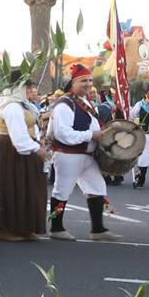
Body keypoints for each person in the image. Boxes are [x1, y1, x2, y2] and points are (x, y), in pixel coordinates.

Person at [45, 64, 118, 242]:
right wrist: (91, 135)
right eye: (83, 80)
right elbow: (63, 134)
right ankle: (56, 227)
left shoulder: (83, 102)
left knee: (97, 187)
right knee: (61, 191)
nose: (88, 84)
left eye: (90, 80)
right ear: (73, 83)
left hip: (86, 156)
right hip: (68, 155)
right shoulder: (64, 105)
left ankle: (98, 229)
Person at [0, 77, 48, 241]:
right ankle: (8, 229)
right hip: (11, 152)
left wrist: (37, 141)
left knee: (26, 190)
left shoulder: (23, 106)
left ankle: (24, 228)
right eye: (26, 88)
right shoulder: (12, 107)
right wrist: (36, 149)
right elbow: (18, 138)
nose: (29, 91)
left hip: (18, 151)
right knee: (12, 189)